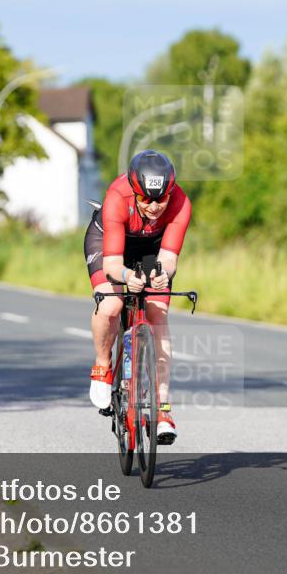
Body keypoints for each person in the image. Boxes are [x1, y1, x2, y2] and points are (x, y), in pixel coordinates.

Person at [84, 150, 191, 445]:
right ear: (134, 190)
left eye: (161, 199)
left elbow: (169, 257)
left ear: (170, 192)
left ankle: (163, 409)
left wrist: (162, 274)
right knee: (111, 304)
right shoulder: (117, 197)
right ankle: (102, 366)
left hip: (151, 249)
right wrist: (126, 276)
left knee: (157, 314)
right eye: (145, 199)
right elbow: (112, 264)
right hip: (110, 244)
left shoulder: (181, 203)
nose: (154, 206)